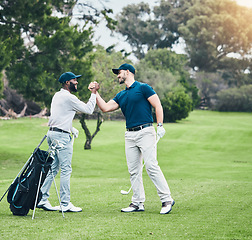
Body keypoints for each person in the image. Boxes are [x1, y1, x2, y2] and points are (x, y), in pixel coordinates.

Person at [94, 63, 175, 214]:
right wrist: (95, 93)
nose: (118, 75)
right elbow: (104, 108)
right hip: (129, 135)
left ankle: (167, 200)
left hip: (145, 131)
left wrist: (160, 125)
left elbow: (157, 105)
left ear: (128, 72)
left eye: (119, 72)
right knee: (134, 170)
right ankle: (137, 203)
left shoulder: (143, 88)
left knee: (151, 166)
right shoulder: (121, 95)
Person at [37, 71, 98, 212]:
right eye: (74, 80)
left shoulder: (57, 96)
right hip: (61, 136)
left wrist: (71, 128)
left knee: (54, 167)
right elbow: (89, 109)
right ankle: (65, 203)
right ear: (66, 83)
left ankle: (42, 199)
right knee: (65, 169)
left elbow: (60, 117)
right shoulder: (69, 98)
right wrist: (94, 93)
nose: (76, 82)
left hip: (52, 134)